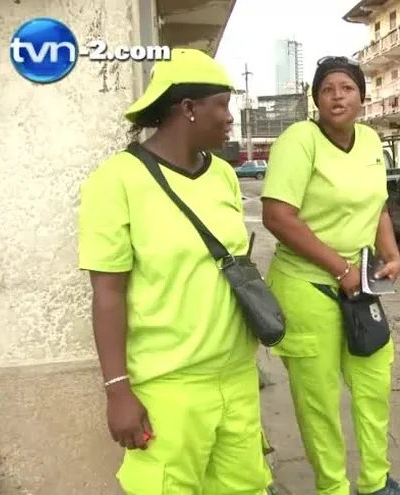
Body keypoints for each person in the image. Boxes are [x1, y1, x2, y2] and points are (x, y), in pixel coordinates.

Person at [77, 49, 276, 494]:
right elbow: (107, 294)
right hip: (169, 389)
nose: (230, 118)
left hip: (237, 379)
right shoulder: (115, 182)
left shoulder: (224, 175)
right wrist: (117, 391)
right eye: (222, 105)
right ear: (187, 109)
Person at [261, 56, 400, 495]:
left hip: (359, 287)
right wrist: (341, 267)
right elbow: (277, 215)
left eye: (347, 88)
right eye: (327, 88)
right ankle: (332, 487)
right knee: (319, 401)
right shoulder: (300, 140)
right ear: (315, 98)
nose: (337, 96)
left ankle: (375, 482)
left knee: (374, 386)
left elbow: (378, 205)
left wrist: (391, 252)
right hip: (307, 286)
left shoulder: (370, 141)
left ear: (362, 97)